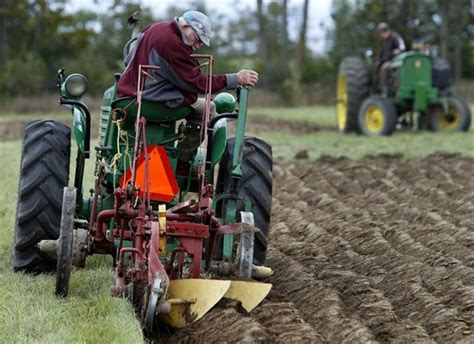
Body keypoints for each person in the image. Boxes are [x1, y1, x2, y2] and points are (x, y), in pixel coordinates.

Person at [117, 10, 258, 166]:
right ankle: (183, 162)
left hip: (126, 98)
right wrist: (235, 79)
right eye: (197, 39)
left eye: (200, 43)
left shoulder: (153, 28)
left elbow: (128, 60)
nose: (197, 46)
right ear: (185, 25)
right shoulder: (174, 44)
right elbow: (196, 83)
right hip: (154, 102)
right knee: (208, 108)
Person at [375, 22, 405, 95]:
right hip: (386, 60)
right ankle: (376, 87)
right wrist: (378, 60)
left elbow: (402, 46)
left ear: (384, 31)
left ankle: (385, 90)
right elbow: (381, 52)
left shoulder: (395, 37)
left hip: (395, 61)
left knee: (384, 68)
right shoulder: (384, 41)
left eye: (381, 33)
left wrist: (399, 50)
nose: (380, 35)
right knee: (378, 66)